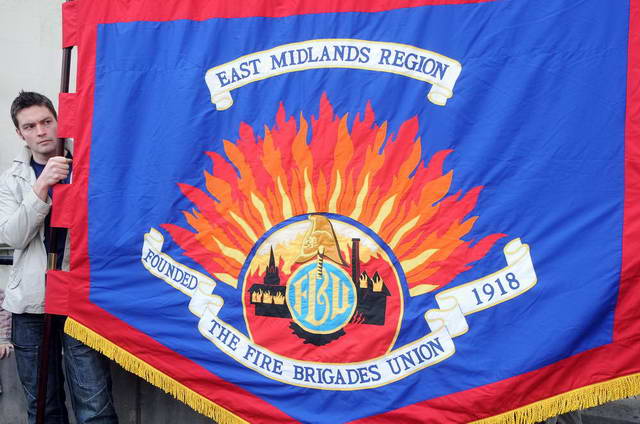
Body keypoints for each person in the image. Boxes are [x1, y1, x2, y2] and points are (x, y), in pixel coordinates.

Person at [0, 91, 118, 423]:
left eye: (46, 121)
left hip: (81, 295)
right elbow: (12, 236)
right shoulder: (11, 179)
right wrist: (41, 187)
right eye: (30, 126)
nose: (41, 131)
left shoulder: (89, 164)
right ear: (20, 133)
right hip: (31, 301)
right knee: (43, 405)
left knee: (95, 404)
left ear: (58, 121)